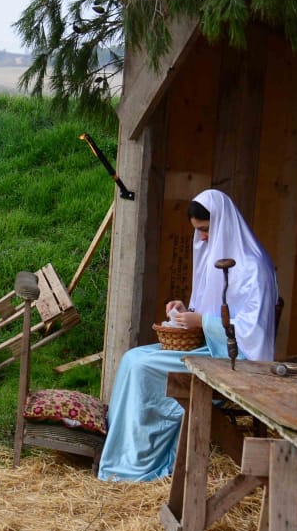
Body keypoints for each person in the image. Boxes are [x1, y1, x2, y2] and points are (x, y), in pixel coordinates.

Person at [96, 189, 278, 482]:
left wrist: (202, 320)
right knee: (133, 357)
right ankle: (121, 451)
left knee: (144, 367)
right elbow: (209, 310)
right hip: (211, 346)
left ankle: (140, 459)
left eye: (205, 230)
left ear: (223, 224)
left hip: (234, 358)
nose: (202, 238)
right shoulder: (213, 257)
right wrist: (186, 311)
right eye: (198, 231)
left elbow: (251, 331)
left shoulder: (253, 267)